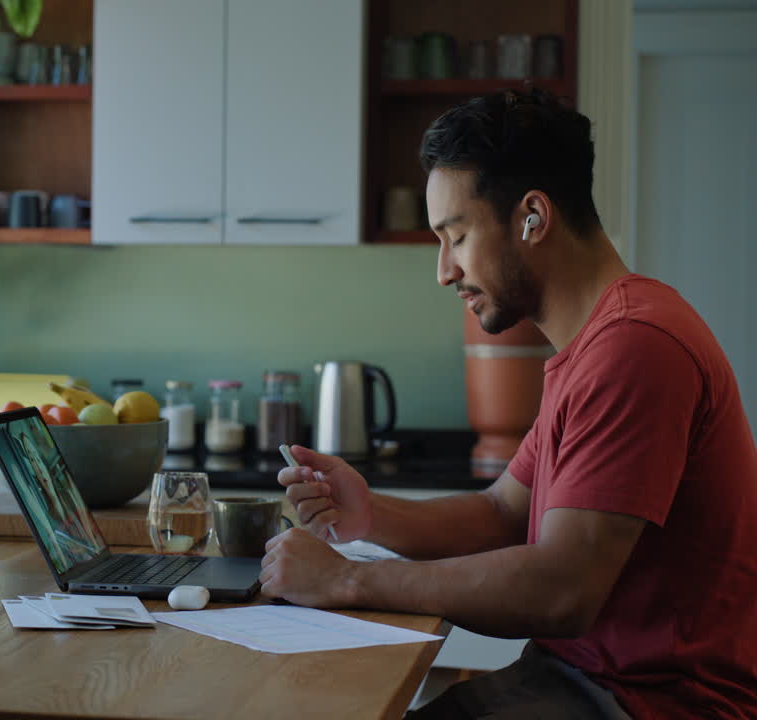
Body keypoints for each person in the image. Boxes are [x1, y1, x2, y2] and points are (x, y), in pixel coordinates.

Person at [262, 88, 757, 718]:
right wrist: (369, 516)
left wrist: (346, 578)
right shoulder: (599, 339)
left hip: (651, 704)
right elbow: (502, 512)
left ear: (533, 216)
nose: (444, 270)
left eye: (457, 236)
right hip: (583, 681)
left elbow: (561, 590)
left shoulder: (636, 346)